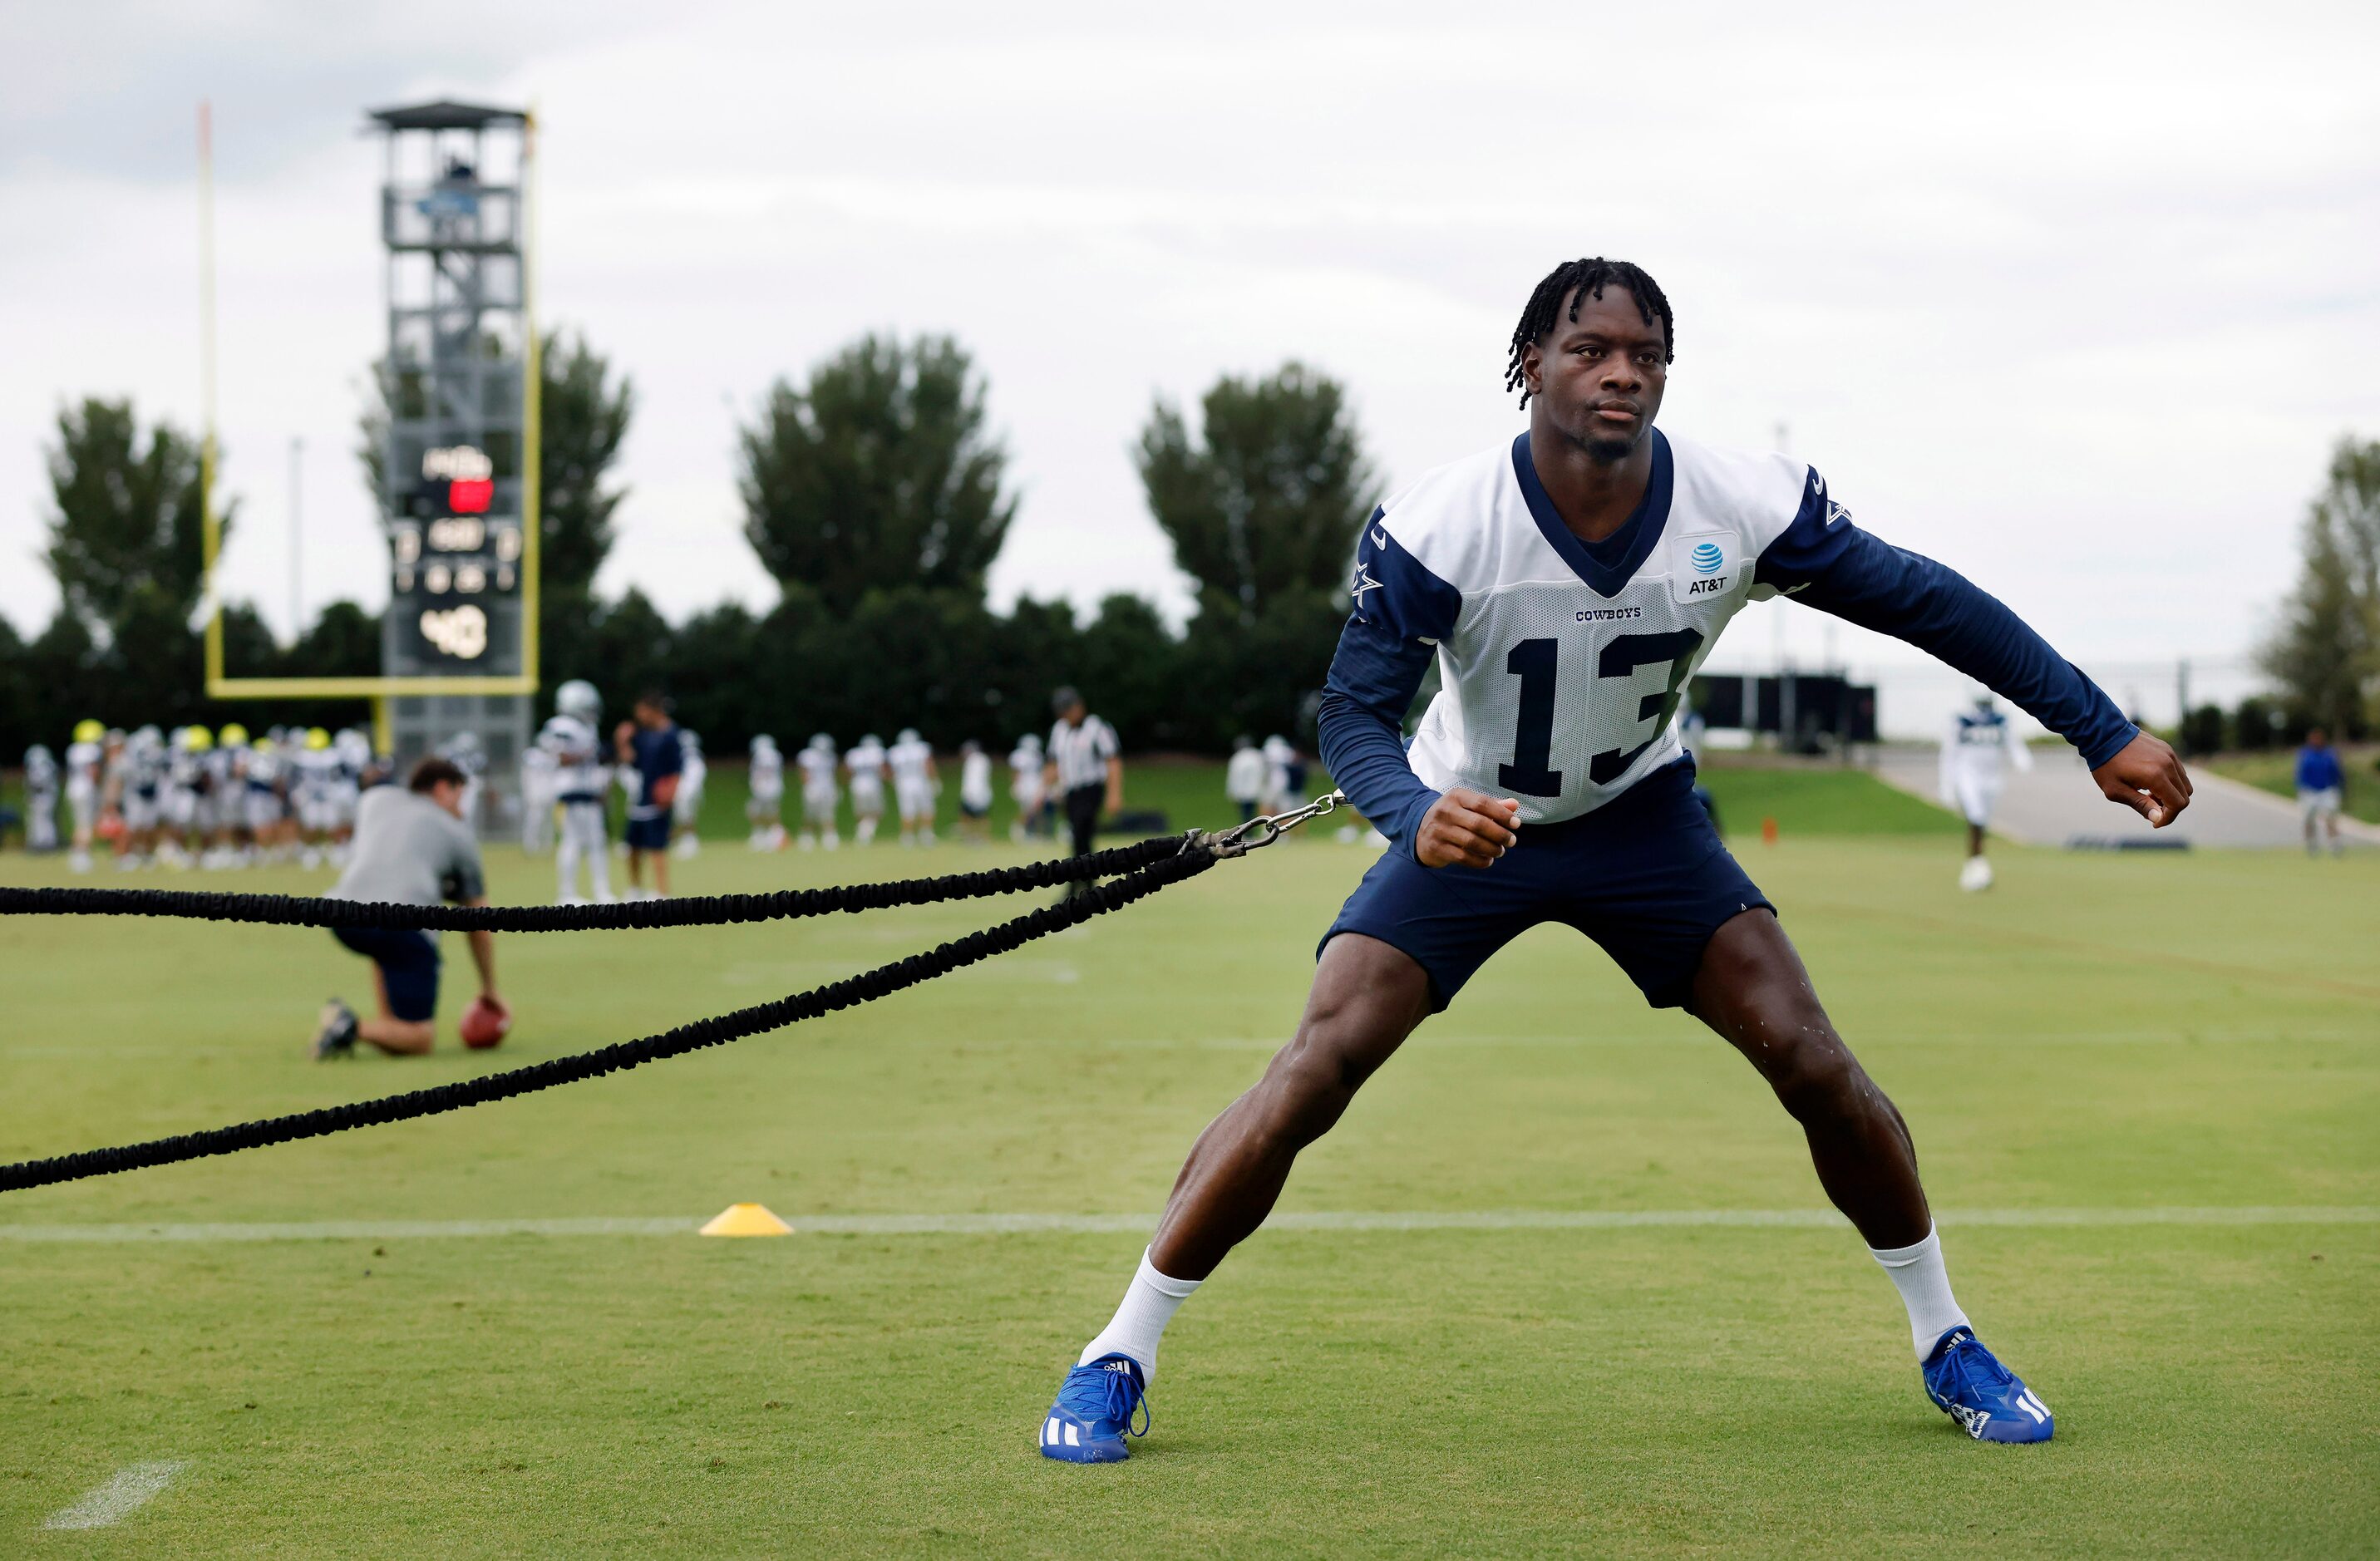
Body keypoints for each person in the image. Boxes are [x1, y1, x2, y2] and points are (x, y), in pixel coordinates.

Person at [1034, 256, 2193, 1465]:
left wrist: (2097, 728)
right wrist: (1409, 810)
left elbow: (1927, 604)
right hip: (1474, 823)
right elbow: (1350, 715)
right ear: (1528, 363)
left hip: (1639, 817)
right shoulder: (1444, 520)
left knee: (1806, 1052)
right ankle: (1120, 1345)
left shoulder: (1738, 502)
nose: (1620, 372)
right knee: (1318, 1062)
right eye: (1590, 348)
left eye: (1644, 353)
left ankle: (1944, 1332)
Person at [310, 756, 503, 1059]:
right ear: (443, 788)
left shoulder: (376, 800)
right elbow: (479, 922)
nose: (462, 810)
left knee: (385, 945)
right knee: (420, 1038)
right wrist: (489, 990)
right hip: (401, 924)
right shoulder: (458, 834)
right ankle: (348, 1026)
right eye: (460, 797)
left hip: (341, 915)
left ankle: (386, 1026)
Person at [1939, 693, 2033, 889]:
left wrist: (2021, 758)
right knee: (1976, 815)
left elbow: (2013, 742)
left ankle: (1974, 863)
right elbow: (1949, 753)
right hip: (1968, 774)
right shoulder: (1961, 721)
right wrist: (1946, 785)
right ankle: (1977, 864)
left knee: (1983, 821)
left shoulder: (2001, 720)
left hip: (1993, 777)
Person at [541, 680, 613, 904]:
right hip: (572, 791)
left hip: (587, 789)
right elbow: (562, 757)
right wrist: (587, 753)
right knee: (575, 841)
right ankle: (569, 893)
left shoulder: (587, 727)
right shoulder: (561, 725)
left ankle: (598, 891)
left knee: (592, 842)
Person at [1042, 687, 1122, 883]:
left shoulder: (1097, 727)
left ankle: (1079, 881)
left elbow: (1113, 761)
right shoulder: (1058, 731)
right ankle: (1085, 880)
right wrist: (1045, 788)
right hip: (1070, 791)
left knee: (1081, 831)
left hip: (1091, 789)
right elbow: (1053, 762)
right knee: (1078, 836)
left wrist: (1114, 793)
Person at [616, 692, 683, 899]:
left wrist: (670, 791)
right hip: (641, 798)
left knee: (657, 846)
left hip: (659, 799)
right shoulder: (645, 735)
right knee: (633, 846)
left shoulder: (671, 735)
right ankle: (635, 889)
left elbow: (677, 767)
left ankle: (662, 892)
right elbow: (634, 762)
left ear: (652, 709)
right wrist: (622, 741)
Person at [2295, 727, 2347, 857]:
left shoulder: (2330, 753)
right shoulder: (2305, 754)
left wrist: (2341, 786)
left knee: (2330, 817)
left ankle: (2334, 845)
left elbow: (2338, 771)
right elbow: (2300, 773)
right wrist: (2301, 788)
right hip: (2309, 791)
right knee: (2309, 818)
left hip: (2328, 789)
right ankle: (2311, 845)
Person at [63, 718, 105, 871]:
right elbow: (93, 771)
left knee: (79, 823)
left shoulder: (73, 749)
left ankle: (77, 854)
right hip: (86, 789)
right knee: (86, 824)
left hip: (72, 788)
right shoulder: (92, 750)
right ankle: (81, 855)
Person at [889, 727, 939, 847]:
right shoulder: (922, 748)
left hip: (903, 784)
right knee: (926, 808)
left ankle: (907, 837)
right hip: (920, 782)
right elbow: (928, 764)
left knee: (907, 811)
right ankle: (926, 835)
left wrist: (894, 781)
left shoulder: (895, 751)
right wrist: (935, 780)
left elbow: (892, 771)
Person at [796, 733, 841, 850]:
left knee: (828, 813)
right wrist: (808, 786)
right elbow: (804, 773)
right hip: (813, 788)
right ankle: (807, 837)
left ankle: (829, 837)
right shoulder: (807, 756)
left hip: (828, 788)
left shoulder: (831, 757)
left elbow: (832, 774)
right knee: (810, 814)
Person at [846, 732, 889, 846]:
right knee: (877, 812)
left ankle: (862, 834)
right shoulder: (878, 752)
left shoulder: (854, 754)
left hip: (857, 785)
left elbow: (849, 771)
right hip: (873, 784)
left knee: (861, 812)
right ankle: (865, 834)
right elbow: (882, 770)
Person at [672, 728, 707, 859]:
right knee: (688, 815)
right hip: (691, 790)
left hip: (686, 790)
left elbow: (693, 775)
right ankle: (687, 840)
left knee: (685, 815)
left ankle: (689, 841)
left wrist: (684, 791)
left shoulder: (688, 755)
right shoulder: (696, 754)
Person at [747, 734, 786, 850]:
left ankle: (766, 837)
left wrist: (756, 786)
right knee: (771, 813)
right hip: (776, 787)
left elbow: (759, 773)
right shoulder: (777, 755)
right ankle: (770, 836)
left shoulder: (760, 756)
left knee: (756, 811)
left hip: (764, 788)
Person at [1008, 731, 1046, 844]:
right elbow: (1016, 772)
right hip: (1024, 786)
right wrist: (1016, 785)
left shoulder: (1038, 756)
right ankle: (1019, 829)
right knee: (1028, 810)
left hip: (1035, 786)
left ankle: (1034, 833)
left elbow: (1040, 772)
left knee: (1036, 810)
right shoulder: (1019, 755)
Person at [23, 743, 60, 854]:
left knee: (44, 821)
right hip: (41, 797)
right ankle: (39, 842)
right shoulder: (48, 766)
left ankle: (46, 844)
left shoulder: (43, 767)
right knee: (38, 821)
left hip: (42, 797)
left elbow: (37, 783)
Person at [956, 739, 993, 844]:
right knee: (981, 816)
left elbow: (974, 779)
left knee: (969, 815)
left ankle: (970, 837)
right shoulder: (984, 759)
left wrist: (970, 793)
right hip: (984, 792)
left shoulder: (972, 761)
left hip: (973, 791)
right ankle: (982, 838)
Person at [1224, 736, 1267, 825]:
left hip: (1242, 792)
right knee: (1253, 813)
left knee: (1245, 814)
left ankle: (1247, 832)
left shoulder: (1237, 758)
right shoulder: (1257, 756)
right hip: (1256, 789)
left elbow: (1234, 777)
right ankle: (1250, 832)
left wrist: (1231, 793)